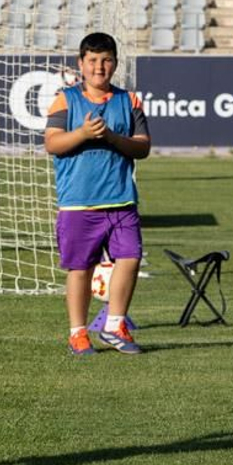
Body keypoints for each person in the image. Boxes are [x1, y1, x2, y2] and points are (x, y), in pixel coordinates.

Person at [43, 31, 151, 356]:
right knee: (80, 268)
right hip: (78, 203)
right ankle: (77, 333)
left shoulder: (128, 100)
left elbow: (143, 147)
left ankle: (115, 325)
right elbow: (52, 143)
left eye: (106, 60)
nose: (99, 67)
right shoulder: (66, 99)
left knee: (130, 258)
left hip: (121, 199)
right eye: (92, 61)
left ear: (115, 64)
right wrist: (83, 133)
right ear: (81, 64)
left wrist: (113, 139)